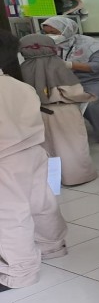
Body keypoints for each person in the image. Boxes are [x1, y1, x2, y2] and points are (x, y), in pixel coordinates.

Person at [0, 30, 68, 292]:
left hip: (4, 160)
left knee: (10, 214)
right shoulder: (20, 86)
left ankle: (20, 272)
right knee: (42, 202)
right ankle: (53, 247)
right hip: (33, 152)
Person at [19, 34, 98, 186]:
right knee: (72, 145)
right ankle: (77, 177)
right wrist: (89, 96)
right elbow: (73, 92)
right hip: (63, 110)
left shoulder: (22, 68)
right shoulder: (58, 65)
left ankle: (53, 181)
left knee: (47, 147)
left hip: (37, 112)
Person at [41, 16, 99, 146]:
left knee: (91, 103)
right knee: (49, 102)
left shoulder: (93, 45)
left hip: (96, 81)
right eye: (46, 33)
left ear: (66, 30)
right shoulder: (48, 45)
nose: (50, 36)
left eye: (53, 32)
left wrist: (70, 65)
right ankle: (64, 137)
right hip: (67, 82)